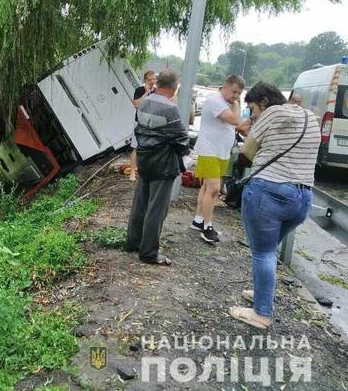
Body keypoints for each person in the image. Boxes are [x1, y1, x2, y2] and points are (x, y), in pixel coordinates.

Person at [229, 82, 320, 329]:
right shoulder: (311, 117)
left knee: (263, 253)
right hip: (302, 198)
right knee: (269, 251)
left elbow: (246, 154)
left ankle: (261, 314)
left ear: (265, 102)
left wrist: (251, 133)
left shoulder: (272, 113)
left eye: (253, 109)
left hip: (269, 192)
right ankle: (261, 295)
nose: (253, 115)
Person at [125, 68, 190, 265]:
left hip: (144, 159)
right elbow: (182, 140)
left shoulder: (144, 102)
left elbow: (140, 129)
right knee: (156, 208)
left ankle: (133, 242)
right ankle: (149, 253)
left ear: (157, 83)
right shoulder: (171, 109)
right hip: (163, 164)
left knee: (140, 203)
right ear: (175, 87)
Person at [191, 75, 245, 243]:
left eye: (239, 93)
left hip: (221, 151)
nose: (236, 96)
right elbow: (236, 121)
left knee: (208, 187)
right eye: (234, 91)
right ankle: (207, 226)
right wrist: (237, 105)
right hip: (209, 151)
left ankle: (198, 219)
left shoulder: (228, 102)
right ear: (225, 86)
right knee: (214, 189)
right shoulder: (215, 101)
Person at [129, 70, 157, 181]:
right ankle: (132, 172)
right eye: (150, 80)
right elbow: (137, 105)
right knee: (137, 147)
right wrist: (146, 92)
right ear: (145, 80)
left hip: (153, 123)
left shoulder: (158, 91)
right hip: (140, 122)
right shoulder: (139, 90)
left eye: (154, 79)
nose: (152, 82)